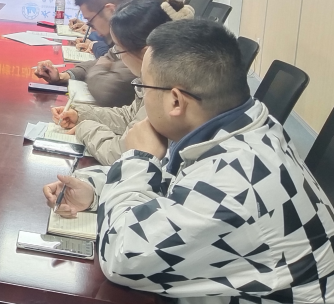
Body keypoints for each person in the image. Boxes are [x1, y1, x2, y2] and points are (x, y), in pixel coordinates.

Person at [43, 20, 334, 303]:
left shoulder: (234, 179)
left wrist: (138, 158)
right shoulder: (244, 126)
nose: (141, 94)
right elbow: (177, 186)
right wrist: (94, 190)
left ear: (175, 101)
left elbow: (122, 257)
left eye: (143, 87)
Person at [51, 0, 194, 164]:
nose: (118, 57)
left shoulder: (164, 92)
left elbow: (122, 153)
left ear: (147, 52)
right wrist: (81, 114)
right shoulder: (159, 77)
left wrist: (84, 128)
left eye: (119, 51)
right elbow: (129, 117)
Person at [35, 0, 135, 107]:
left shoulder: (138, 37)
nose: (93, 30)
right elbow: (106, 59)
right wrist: (64, 76)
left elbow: (107, 92)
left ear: (110, 10)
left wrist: (101, 65)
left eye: (91, 21)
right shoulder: (124, 33)